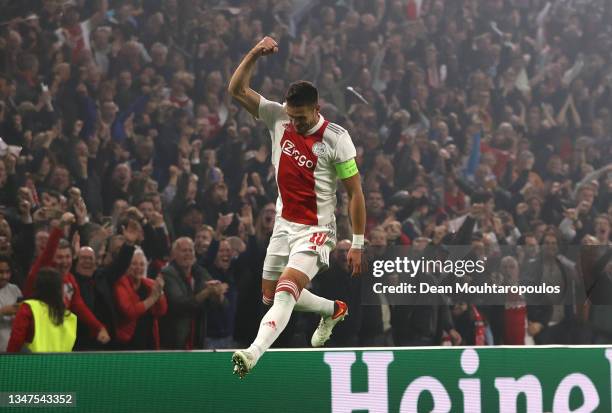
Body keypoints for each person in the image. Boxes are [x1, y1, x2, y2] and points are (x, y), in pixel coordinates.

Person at [228, 36, 366, 378]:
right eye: (292, 116)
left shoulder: (336, 139)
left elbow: (355, 193)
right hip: (283, 224)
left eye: (302, 118)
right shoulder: (278, 118)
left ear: (316, 109)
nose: (296, 123)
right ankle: (332, 310)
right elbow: (236, 89)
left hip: (317, 230)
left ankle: (253, 353)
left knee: (287, 290)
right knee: (271, 295)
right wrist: (256, 53)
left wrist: (359, 242)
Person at [7, 267, 77, 352]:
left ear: (37, 286)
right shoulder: (70, 317)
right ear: (59, 289)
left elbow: (16, 340)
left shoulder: (28, 308)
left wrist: (8, 362)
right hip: (61, 364)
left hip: (32, 363)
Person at [114, 248, 167, 350]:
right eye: (134, 264)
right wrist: (152, 298)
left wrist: (160, 293)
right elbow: (129, 311)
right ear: (127, 266)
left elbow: (161, 311)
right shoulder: (120, 283)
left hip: (149, 339)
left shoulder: (150, 284)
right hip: (128, 342)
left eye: (142, 264)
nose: (138, 267)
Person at [0, 255, 21, 351]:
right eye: (0, 272)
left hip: (12, 349)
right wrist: (2, 311)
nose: (4, 276)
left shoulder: (15, 289)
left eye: (7, 272)